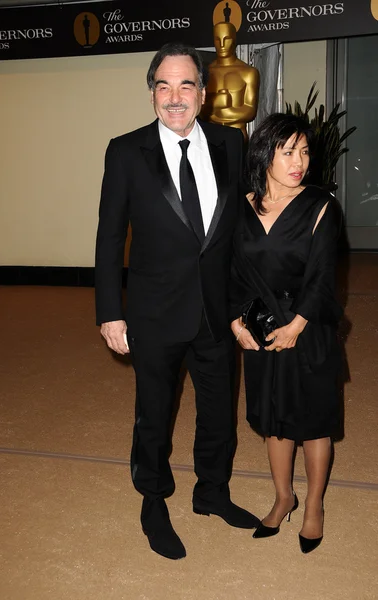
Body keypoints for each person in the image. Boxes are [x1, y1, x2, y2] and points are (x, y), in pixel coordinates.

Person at [95, 42, 259, 561]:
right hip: (154, 311)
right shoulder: (125, 151)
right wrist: (109, 311)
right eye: (163, 85)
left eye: (185, 84)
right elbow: (107, 238)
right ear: (151, 95)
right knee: (154, 413)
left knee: (218, 412)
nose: (174, 96)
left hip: (216, 310)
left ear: (203, 93)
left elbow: (242, 229)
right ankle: (153, 500)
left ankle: (211, 492)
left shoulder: (231, 143)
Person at [230, 113, 343, 554]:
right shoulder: (240, 206)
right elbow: (231, 271)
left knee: (314, 423)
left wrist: (298, 324)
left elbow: (322, 276)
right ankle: (283, 498)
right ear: (265, 154)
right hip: (259, 328)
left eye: (305, 151)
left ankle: (313, 505)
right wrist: (234, 321)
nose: (301, 161)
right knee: (274, 422)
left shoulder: (320, 205)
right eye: (289, 151)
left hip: (306, 327)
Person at [200, 21, 259, 141]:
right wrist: (218, 102)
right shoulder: (205, 72)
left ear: (234, 40)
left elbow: (250, 111)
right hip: (210, 136)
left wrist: (220, 110)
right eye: (217, 39)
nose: (222, 45)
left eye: (226, 39)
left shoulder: (248, 72)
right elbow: (199, 109)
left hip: (237, 135)